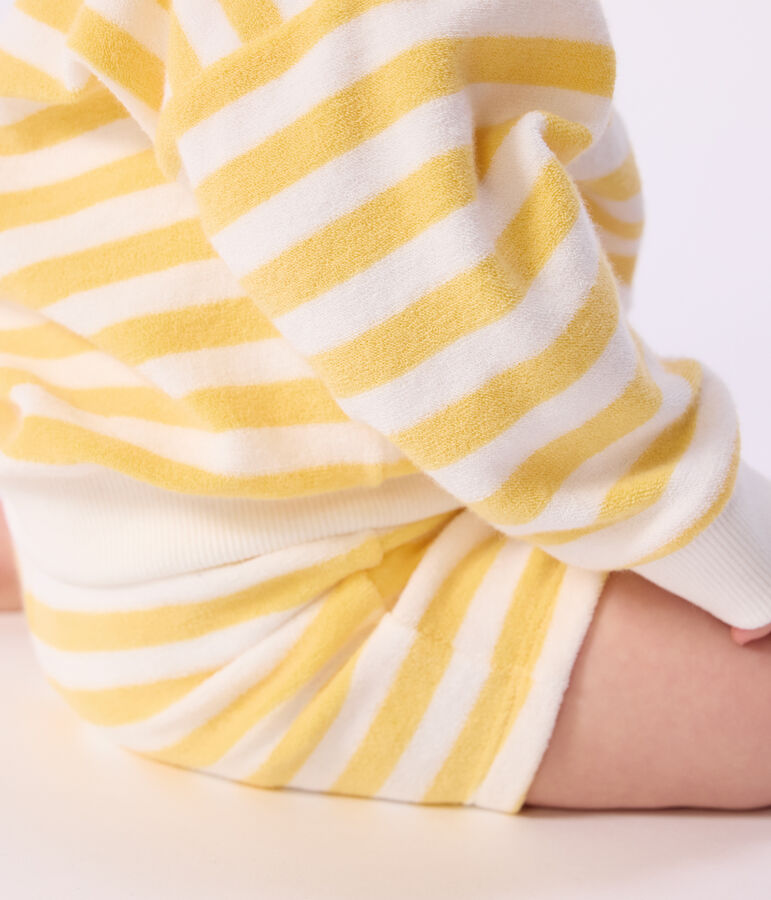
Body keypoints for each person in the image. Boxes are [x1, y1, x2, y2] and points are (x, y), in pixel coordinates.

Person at [0, 0, 769, 815]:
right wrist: (710, 529)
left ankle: (83, 551)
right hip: (292, 596)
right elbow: (444, 297)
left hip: (122, 511)